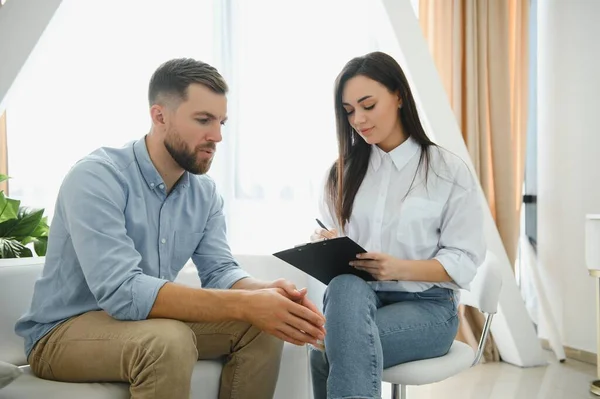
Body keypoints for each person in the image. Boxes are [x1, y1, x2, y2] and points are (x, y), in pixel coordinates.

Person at [14, 58, 326, 399]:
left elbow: (220, 271)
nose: (217, 136)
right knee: (168, 341)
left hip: (138, 325)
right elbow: (123, 292)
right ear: (159, 116)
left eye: (222, 122)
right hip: (62, 333)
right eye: (203, 120)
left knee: (263, 328)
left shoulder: (204, 194)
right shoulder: (96, 177)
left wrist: (264, 292)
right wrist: (245, 303)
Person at [308, 51, 486, 399]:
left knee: (329, 349)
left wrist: (396, 268)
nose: (358, 119)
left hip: (429, 308)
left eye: (368, 105)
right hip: (355, 301)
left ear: (399, 96)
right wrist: (326, 243)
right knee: (344, 286)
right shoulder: (340, 173)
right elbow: (328, 240)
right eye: (349, 111)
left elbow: (464, 259)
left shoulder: (447, 171)